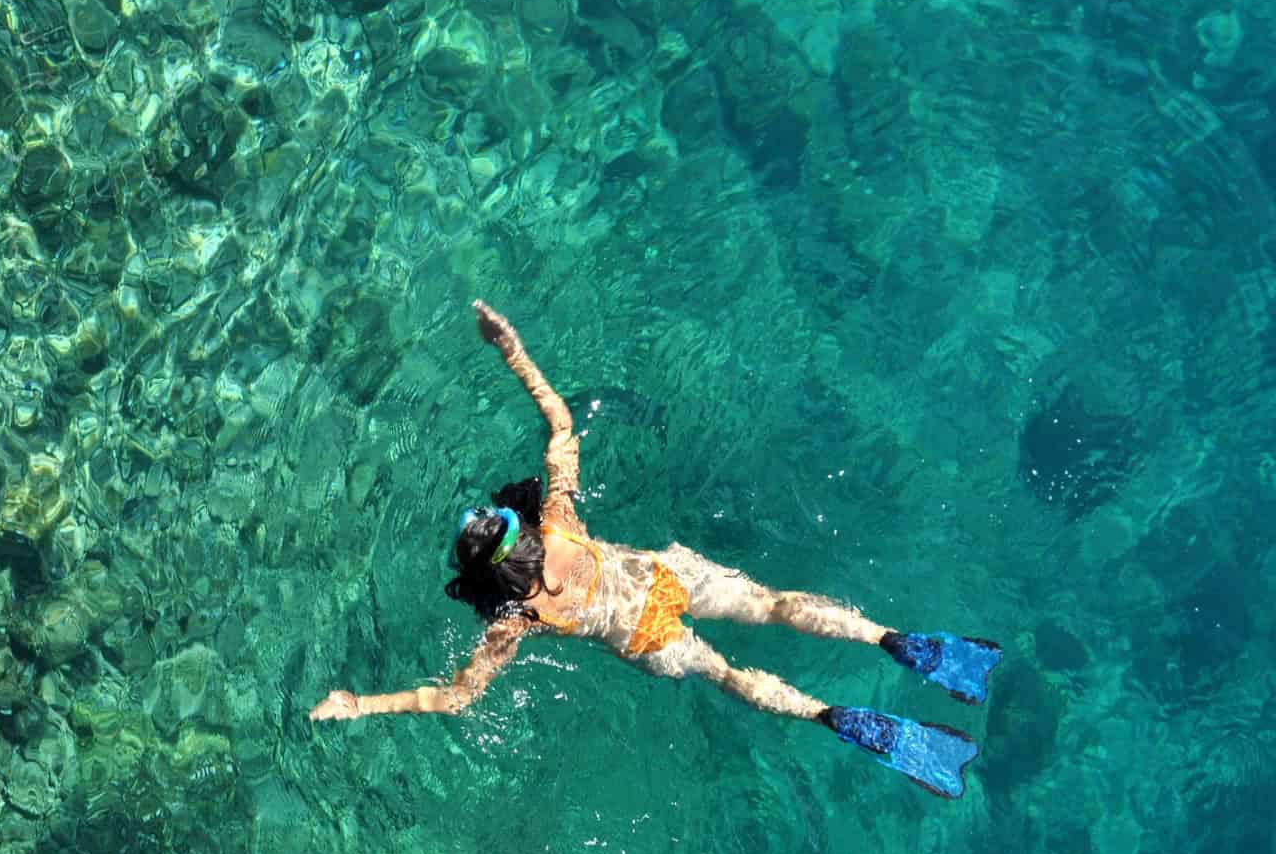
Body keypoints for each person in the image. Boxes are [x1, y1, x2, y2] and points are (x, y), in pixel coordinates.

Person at [308, 301, 1001, 799]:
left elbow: (455, 699)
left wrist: (360, 704)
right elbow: (560, 420)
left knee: (730, 675)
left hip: (646, 636)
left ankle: (835, 717)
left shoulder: (516, 618)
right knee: (775, 604)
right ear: (514, 529)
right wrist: (509, 348)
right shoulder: (560, 519)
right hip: (667, 576)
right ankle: (893, 639)